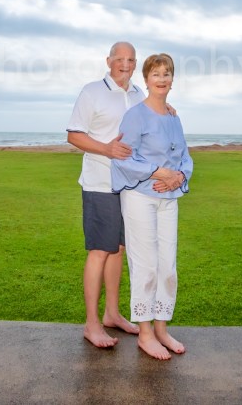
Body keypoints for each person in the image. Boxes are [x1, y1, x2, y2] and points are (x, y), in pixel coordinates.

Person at [111, 53, 192, 360]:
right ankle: (145, 334)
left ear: (172, 80)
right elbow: (123, 157)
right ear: (146, 80)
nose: (162, 79)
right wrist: (159, 173)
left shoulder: (173, 117)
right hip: (140, 197)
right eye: (156, 74)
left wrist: (179, 177)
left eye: (166, 74)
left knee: (167, 266)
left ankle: (161, 328)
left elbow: (184, 156)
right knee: (145, 264)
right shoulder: (135, 115)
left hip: (169, 199)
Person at [67, 42, 144, 347]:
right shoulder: (92, 91)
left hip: (129, 186)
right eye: (119, 59)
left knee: (119, 249)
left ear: (135, 63)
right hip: (100, 184)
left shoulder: (138, 94)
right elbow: (74, 135)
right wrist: (107, 149)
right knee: (100, 250)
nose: (125, 64)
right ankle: (92, 324)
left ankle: (112, 314)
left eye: (131, 59)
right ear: (108, 61)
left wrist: (167, 110)